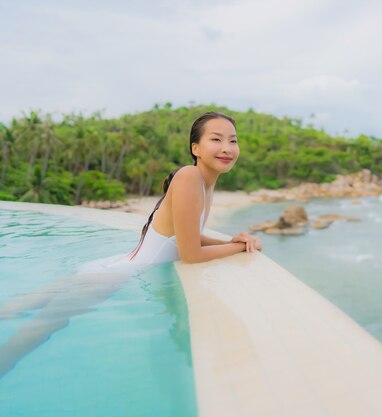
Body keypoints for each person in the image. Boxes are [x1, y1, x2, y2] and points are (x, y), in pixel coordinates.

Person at [0, 111, 262, 377]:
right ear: (196, 148)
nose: (227, 148)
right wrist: (241, 247)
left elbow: (186, 234)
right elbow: (190, 254)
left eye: (233, 140)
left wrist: (229, 240)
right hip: (112, 276)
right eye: (216, 139)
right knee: (36, 331)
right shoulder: (189, 177)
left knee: (14, 312)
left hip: (110, 266)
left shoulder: (204, 183)